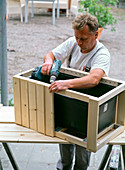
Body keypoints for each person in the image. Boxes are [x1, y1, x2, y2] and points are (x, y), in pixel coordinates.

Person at [41, 13, 110, 170]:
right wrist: (48, 62)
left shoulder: (102, 54)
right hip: (67, 105)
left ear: (96, 34)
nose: (79, 42)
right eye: (77, 37)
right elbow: (50, 54)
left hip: (87, 110)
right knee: (64, 147)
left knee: (82, 158)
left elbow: (94, 79)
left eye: (84, 39)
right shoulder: (73, 43)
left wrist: (66, 83)